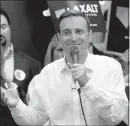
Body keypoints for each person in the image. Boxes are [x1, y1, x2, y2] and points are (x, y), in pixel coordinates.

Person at [1, 10, 128, 125]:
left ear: (89, 36)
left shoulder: (110, 67)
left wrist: (88, 85)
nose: (73, 38)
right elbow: (35, 119)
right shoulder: (47, 74)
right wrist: (16, 105)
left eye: (79, 31)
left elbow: (116, 117)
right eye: (66, 33)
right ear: (59, 38)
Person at [0, 8, 41, 126]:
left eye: (3, 26)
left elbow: (38, 108)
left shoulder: (32, 64)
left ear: (10, 28)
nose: (0, 32)